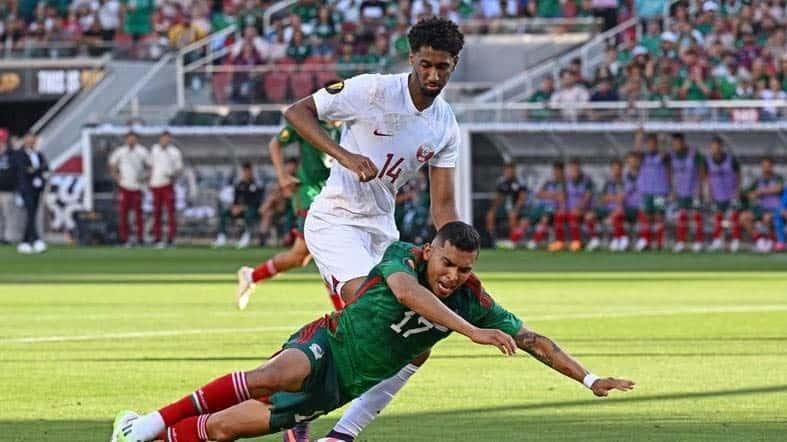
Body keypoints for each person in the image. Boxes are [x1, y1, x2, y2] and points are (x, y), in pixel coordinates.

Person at [112, 222, 635, 442]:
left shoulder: (474, 300)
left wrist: (588, 379)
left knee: (225, 429)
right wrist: (470, 333)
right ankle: (153, 421)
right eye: (448, 263)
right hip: (329, 342)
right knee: (274, 373)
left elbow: (533, 340)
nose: (454, 276)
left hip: (344, 386)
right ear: (431, 251)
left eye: (464, 269)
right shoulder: (401, 256)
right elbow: (410, 294)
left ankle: (139, 435)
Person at [274, 16, 466, 441]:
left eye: (443, 67)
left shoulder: (445, 124)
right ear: (412, 58)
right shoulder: (373, 90)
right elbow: (297, 113)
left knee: (418, 338)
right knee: (376, 316)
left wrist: (457, 259)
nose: (433, 75)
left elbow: (444, 207)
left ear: (454, 65)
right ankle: (297, 394)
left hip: (383, 233)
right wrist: (344, 155)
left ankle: (339, 433)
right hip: (336, 221)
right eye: (426, 65)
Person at [235, 118, 342, 310]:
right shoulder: (309, 119)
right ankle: (344, 312)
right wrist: (282, 176)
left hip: (334, 194)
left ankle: (251, 276)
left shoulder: (347, 126)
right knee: (329, 251)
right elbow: (276, 143)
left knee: (299, 256)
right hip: (310, 194)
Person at [108, 132, 149, 247]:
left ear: (137, 140)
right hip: (124, 186)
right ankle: (124, 238)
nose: (131, 141)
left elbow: (150, 166)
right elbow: (112, 164)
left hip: (137, 187)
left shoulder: (142, 151)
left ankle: (140, 238)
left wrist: (145, 177)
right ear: (126, 140)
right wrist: (116, 176)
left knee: (138, 214)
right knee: (123, 214)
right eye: (129, 139)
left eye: (133, 139)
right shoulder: (121, 151)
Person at [669, 133, 706, 253]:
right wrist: (673, 190)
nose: (675, 145)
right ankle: (681, 242)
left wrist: (701, 189)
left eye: (677, 142)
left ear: (683, 142)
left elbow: (702, 171)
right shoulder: (673, 156)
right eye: (673, 143)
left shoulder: (694, 154)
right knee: (682, 217)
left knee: (697, 217)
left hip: (694, 190)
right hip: (681, 192)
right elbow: (673, 174)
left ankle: (699, 242)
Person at [13, 133, 49, 254]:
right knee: (30, 213)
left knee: (32, 214)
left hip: (37, 189)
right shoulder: (19, 154)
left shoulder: (38, 154)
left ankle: (25, 241)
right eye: (28, 138)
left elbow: (45, 167)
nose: (31, 141)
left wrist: (37, 172)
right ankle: (36, 239)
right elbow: (25, 170)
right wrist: (37, 170)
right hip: (25, 189)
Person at [214, 162, 263, 249]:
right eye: (244, 171)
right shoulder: (239, 184)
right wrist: (234, 207)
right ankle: (222, 237)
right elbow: (236, 200)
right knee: (224, 213)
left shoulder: (256, 184)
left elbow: (257, 202)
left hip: (252, 209)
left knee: (249, 214)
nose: (246, 173)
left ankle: (246, 236)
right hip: (240, 209)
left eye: (248, 171)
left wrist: (243, 207)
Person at [635, 131, 670, 251]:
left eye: (653, 144)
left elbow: (664, 153)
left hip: (660, 191)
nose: (651, 146)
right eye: (648, 144)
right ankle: (647, 241)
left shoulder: (660, 156)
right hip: (647, 192)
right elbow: (637, 152)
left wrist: (662, 141)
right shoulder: (643, 157)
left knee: (659, 216)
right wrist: (639, 138)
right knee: (648, 217)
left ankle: (660, 242)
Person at [705, 137, 742, 253]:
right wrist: (709, 194)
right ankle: (717, 240)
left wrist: (737, 192)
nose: (715, 149)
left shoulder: (731, 160)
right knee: (719, 219)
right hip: (717, 194)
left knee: (733, 218)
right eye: (713, 147)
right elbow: (708, 178)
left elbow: (739, 176)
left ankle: (735, 241)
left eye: (717, 147)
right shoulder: (708, 161)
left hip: (731, 194)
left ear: (721, 147)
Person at [148, 131, 183, 248]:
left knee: (170, 213)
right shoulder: (154, 149)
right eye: (163, 139)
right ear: (160, 139)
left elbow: (179, 168)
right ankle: (157, 238)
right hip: (155, 184)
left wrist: (172, 175)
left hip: (168, 184)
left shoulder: (174, 152)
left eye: (167, 139)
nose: (165, 141)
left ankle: (171, 238)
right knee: (156, 213)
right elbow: (151, 166)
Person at [740, 157, 784, 253]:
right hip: (761, 209)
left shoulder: (778, 178)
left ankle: (773, 242)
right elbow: (746, 192)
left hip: (775, 209)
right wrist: (750, 194)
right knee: (744, 217)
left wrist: (761, 192)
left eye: (768, 166)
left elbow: (779, 189)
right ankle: (759, 240)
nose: (766, 168)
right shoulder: (758, 180)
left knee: (767, 218)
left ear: (772, 167)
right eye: (764, 166)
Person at [601, 156, 643, 252]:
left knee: (618, 214)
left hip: (629, 209)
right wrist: (613, 198)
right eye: (614, 168)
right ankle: (596, 240)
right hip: (612, 209)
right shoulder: (608, 183)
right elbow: (603, 198)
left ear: (622, 169)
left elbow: (622, 198)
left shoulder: (625, 181)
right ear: (611, 169)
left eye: (618, 168)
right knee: (592, 214)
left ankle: (620, 239)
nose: (616, 171)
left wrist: (612, 199)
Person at [557, 158, 597, 252]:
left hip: (583, 209)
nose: (574, 170)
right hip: (569, 209)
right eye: (572, 168)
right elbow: (562, 196)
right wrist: (562, 207)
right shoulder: (566, 181)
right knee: (559, 215)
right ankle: (559, 242)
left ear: (579, 168)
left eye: (576, 168)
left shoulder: (587, 181)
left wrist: (579, 207)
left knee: (574, 215)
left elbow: (587, 197)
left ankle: (576, 242)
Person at [485, 162, 527, 246]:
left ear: (514, 171)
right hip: (504, 208)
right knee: (490, 215)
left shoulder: (520, 182)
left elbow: (522, 199)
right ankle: (493, 239)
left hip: (518, 208)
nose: (509, 172)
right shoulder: (502, 182)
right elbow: (498, 198)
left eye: (511, 170)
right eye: (507, 170)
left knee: (512, 215)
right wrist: (494, 208)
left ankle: (513, 240)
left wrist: (515, 209)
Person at [533, 160, 566, 250]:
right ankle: (536, 242)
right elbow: (538, 194)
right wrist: (553, 195)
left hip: (558, 209)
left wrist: (552, 196)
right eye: (555, 171)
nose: (556, 173)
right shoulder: (549, 182)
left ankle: (539, 242)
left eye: (559, 171)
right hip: (545, 208)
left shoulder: (565, 183)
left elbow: (563, 198)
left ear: (562, 172)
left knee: (546, 219)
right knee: (527, 219)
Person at [0, 134, 16, 245]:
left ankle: (8, 237)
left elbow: (15, 172)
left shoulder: (12, 155)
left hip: (7, 191)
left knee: (8, 214)